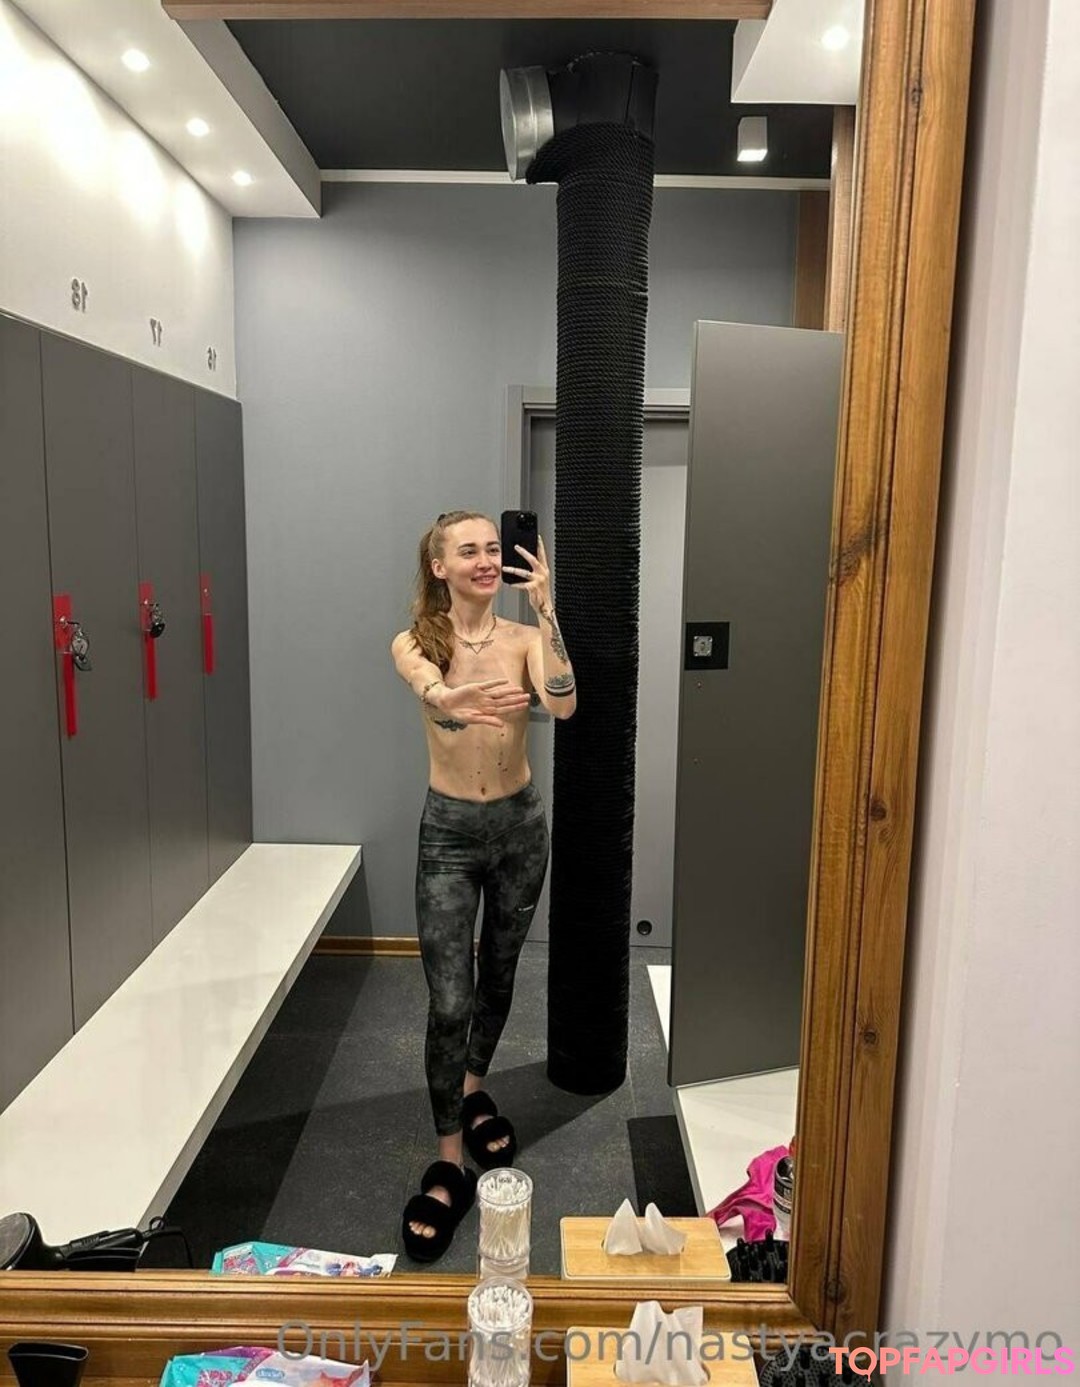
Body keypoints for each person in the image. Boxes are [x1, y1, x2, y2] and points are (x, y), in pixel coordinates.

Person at [390, 509, 577, 1261]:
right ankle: (448, 1161)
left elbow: (563, 701)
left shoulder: (525, 639)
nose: (486, 560)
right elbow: (426, 684)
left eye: (494, 548)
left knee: (498, 973)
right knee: (450, 999)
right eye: (469, 550)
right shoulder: (416, 640)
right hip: (450, 834)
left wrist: (548, 610)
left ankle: (472, 1091)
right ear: (439, 565)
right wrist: (448, 699)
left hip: (519, 828)